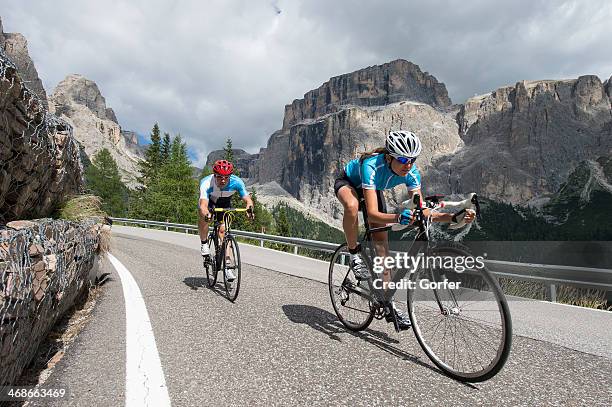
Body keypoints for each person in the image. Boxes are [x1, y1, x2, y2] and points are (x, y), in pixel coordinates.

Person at [334, 130, 476, 329]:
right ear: (389, 157)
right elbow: (373, 214)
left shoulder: (412, 173)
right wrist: (398, 217)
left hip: (373, 190)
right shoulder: (371, 165)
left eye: (412, 160)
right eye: (402, 159)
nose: (407, 165)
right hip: (349, 183)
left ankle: (387, 301)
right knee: (351, 206)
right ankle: (354, 253)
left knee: (382, 249)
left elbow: (422, 210)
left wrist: (452, 216)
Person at [199, 159, 254, 281]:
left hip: (225, 203)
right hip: (210, 201)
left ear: (230, 176)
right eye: (219, 177)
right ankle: (204, 243)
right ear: (214, 175)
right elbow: (203, 205)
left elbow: (248, 200)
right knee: (204, 217)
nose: (223, 180)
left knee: (224, 232)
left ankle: (228, 266)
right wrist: (207, 213)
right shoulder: (206, 182)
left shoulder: (237, 182)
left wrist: (249, 209)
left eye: (226, 177)